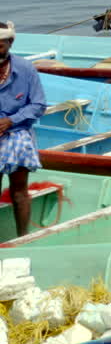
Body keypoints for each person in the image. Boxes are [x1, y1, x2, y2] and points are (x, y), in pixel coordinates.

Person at [0, 21, 45, 236]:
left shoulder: (25, 69)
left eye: (2, 43)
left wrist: (10, 121)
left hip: (17, 134)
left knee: (19, 191)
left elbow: (38, 104)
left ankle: (22, 238)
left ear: (10, 42)